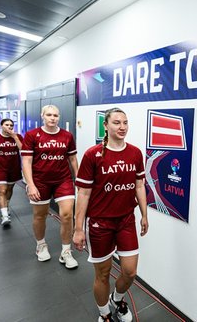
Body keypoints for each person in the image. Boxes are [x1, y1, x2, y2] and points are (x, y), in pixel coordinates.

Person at [73, 107, 148, 322]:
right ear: (105, 126)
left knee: (130, 271)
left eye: (125, 122)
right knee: (103, 274)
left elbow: (139, 185)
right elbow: (84, 194)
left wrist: (144, 215)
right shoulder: (92, 155)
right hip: (99, 223)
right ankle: (104, 312)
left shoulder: (134, 152)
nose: (122, 127)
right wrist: (78, 229)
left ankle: (117, 299)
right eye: (116, 122)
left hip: (125, 221)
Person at [21, 105, 79, 269]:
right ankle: (41, 244)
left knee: (67, 214)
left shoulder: (67, 136)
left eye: (55, 115)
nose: (52, 118)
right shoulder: (32, 135)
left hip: (63, 179)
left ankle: (66, 251)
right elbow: (26, 161)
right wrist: (30, 185)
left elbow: (73, 159)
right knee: (40, 215)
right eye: (49, 115)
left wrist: (80, 180)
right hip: (40, 181)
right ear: (42, 116)